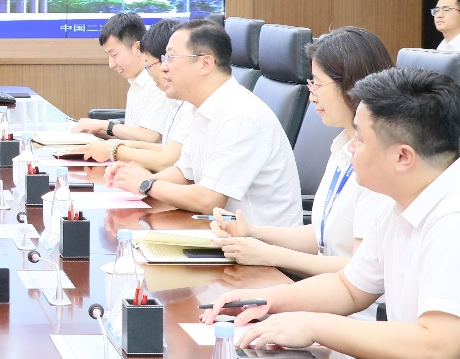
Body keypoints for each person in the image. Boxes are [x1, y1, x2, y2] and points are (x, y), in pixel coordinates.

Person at [204, 67, 460, 359]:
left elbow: (436, 349)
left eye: (360, 138)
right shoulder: (399, 201)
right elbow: (350, 287)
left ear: (403, 156)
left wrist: (314, 326)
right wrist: (265, 300)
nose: (350, 148)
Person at [210, 26, 394, 280]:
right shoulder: (343, 145)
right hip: (321, 287)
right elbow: (321, 236)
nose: (312, 94)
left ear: (350, 83)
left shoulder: (380, 161)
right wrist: (251, 231)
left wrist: (268, 255)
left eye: (317, 83)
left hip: (349, 300)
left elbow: (359, 269)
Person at [105, 19, 302, 225]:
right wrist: (131, 178)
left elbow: (209, 200)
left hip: (260, 241)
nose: (163, 68)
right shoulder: (200, 109)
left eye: (171, 58)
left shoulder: (240, 116)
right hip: (221, 231)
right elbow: (185, 173)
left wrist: (147, 184)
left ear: (205, 64)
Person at [77, 18, 190, 172]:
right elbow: (165, 149)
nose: (111, 64)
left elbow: (154, 143)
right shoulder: (139, 84)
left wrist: (111, 140)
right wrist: (107, 138)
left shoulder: (164, 88)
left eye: (114, 55)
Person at [71, 12, 166, 144]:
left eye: (114, 55)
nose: (111, 64)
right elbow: (132, 137)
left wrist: (105, 125)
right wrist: (97, 130)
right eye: (108, 56)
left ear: (137, 48)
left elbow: (150, 136)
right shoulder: (135, 83)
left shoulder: (158, 83)